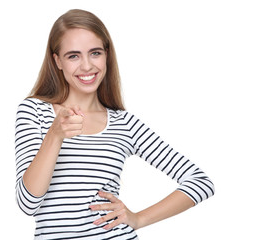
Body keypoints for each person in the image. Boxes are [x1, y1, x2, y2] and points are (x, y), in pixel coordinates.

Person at [14, 9, 214, 239]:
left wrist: (138, 218)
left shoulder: (124, 123)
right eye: (73, 56)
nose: (87, 66)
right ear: (57, 61)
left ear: (106, 55)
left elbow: (200, 182)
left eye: (95, 53)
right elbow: (28, 204)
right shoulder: (34, 111)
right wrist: (55, 135)